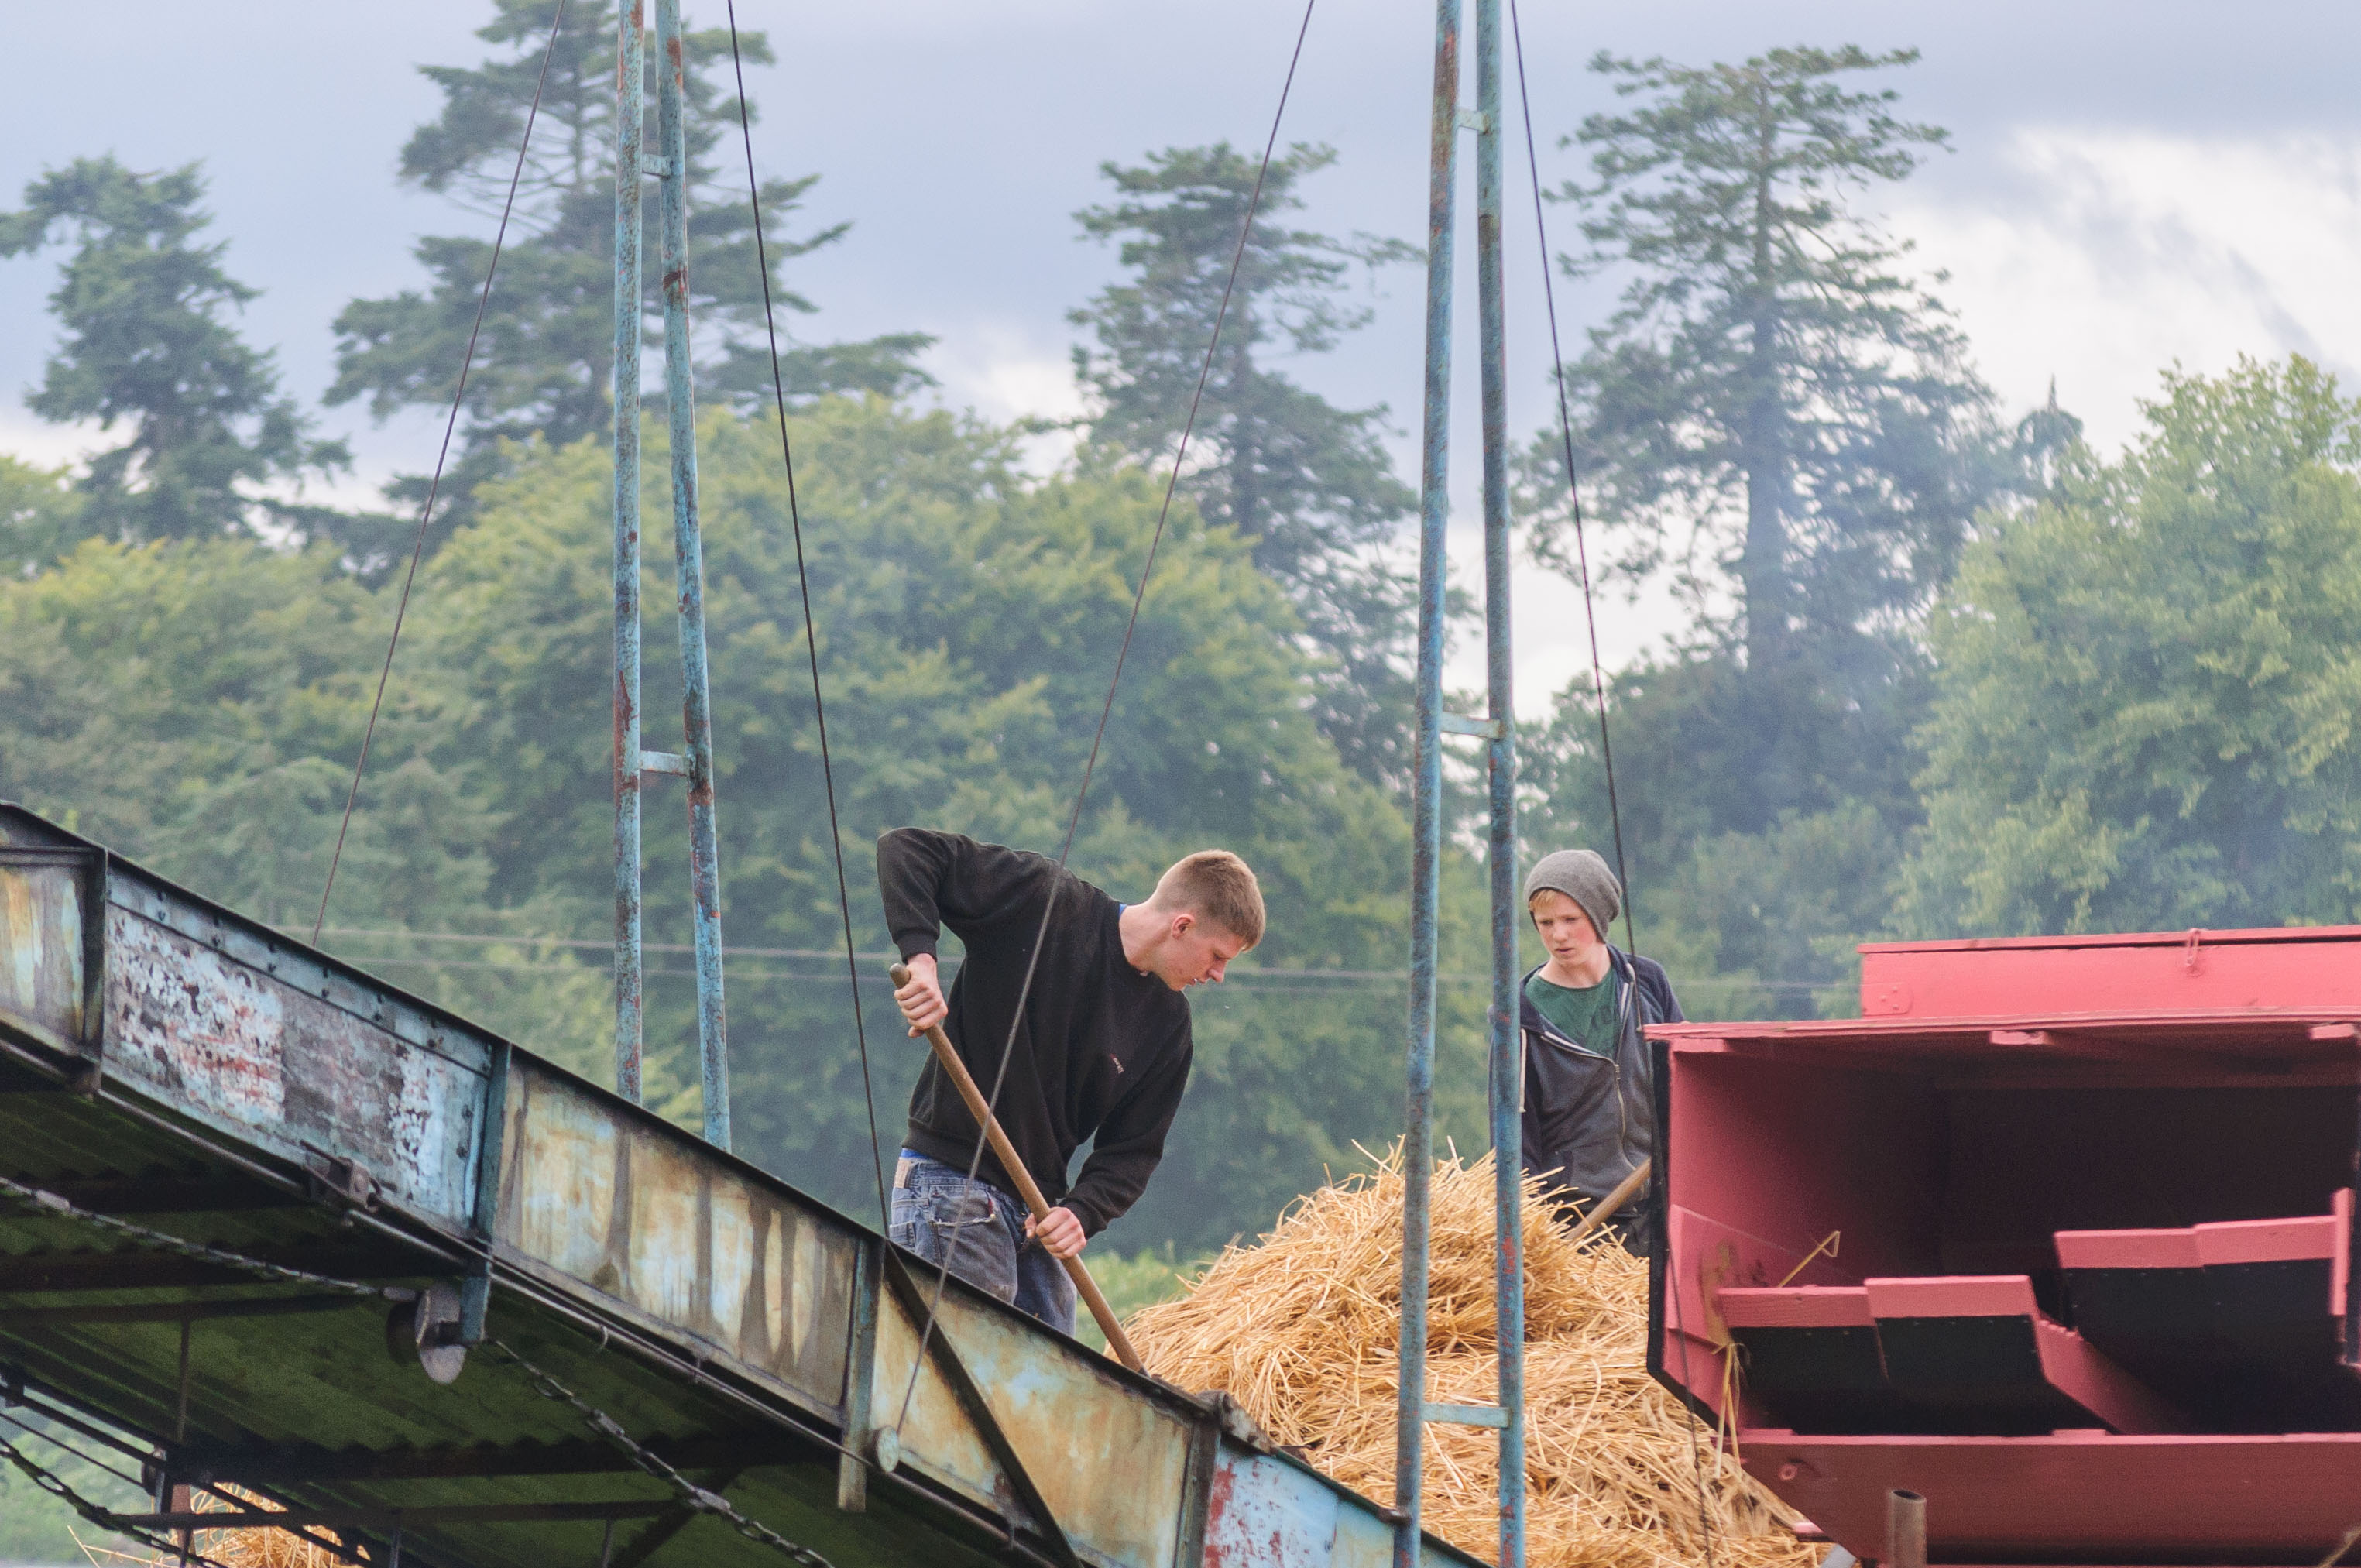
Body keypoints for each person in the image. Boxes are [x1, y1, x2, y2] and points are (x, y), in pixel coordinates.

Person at [878, 827, 1264, 1333]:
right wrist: (922, 962)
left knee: (1054, 1375)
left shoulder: (1169, 1026)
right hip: (950, 1183)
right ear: (1183, 925)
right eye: (1218, 956)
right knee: (971, 1371)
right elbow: (907, 849)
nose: (1217, 976)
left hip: (1035, 1214)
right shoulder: (1046, 901)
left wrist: (1080, 1212)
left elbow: (1132, 1153)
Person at [1519, 849, 1682, 1254]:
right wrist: (1538, 1242)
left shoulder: (1646, 982)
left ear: (1599, 916)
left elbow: (1687, 1083)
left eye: (1570, 920)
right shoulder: (1521, 1018)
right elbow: (1516, 1145)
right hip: (1574, 1231)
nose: (1558, 935)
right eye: (1546, 923)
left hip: (1657, 1218)